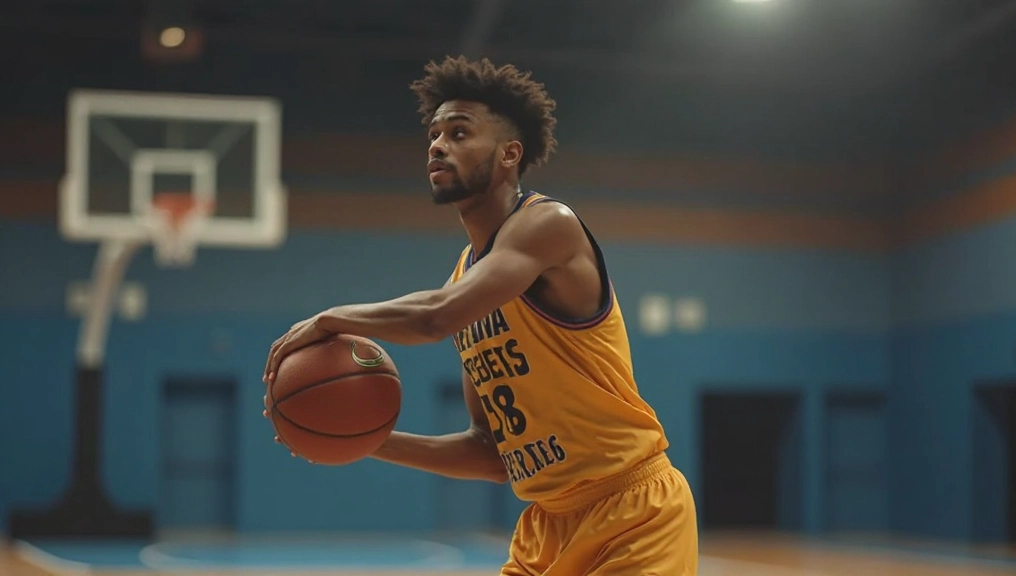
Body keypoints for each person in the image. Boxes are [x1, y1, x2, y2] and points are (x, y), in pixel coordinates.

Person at [264, 55, 698, 576]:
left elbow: (435, 318)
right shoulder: (464, 279)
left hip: (633, 511)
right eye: (434, 133)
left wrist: (331, 319)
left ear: (509, 153)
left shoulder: (547, 224)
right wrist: (365, 439)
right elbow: (490, 452)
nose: (437, 144)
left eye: (460, 132)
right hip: (546, 525)